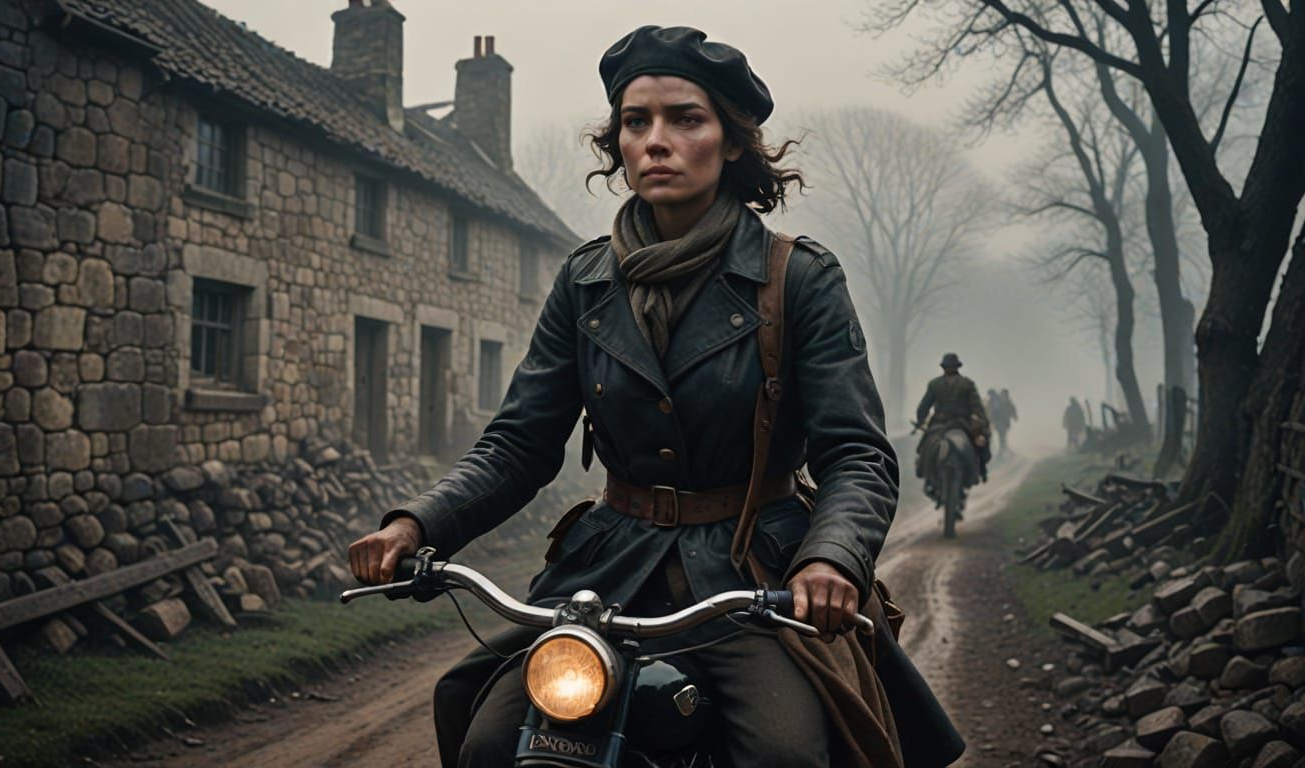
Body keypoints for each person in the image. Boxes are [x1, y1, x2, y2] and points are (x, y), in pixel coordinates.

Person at [347, 25, 961, 768]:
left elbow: (857, 454)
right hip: (608, 570)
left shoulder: (796, 278)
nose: (656, 141)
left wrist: (828, 560)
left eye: (685, 119)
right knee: (484, 736)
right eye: (636, 122)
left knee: (786, 754)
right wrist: (419, 523)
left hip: (750, 577)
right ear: (618, 144)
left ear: (731, 143)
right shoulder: (585, 282)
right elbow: (519, 441)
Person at [914, 353, 991, 482]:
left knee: (924, 445)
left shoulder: (935, 384)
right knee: (980, 443)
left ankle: (923, 470)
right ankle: (981, 470)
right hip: (962, 423)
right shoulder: (967, 384)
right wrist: (984, 422)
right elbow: (977, 406)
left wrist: (920, 421)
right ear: (957, 367)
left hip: (940, 422)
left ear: (944, 367)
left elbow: (924, 406)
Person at [991, 387, 1018, 455]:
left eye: (1004, 395)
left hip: (1004, 423)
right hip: (999, 423)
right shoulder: (997, 402)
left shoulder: (1008, 402)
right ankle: (1003, 451)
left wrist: (1015, 417)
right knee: (1002, 437)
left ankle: (1003, 450)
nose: (1003, 396)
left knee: (1002, 437)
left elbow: (1012, 410)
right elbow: (993, 412)